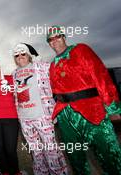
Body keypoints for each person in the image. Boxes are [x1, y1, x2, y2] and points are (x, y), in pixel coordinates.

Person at [47, 25, 121, 174]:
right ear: (49, 43)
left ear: (64, 37)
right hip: (65, 115)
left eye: (57, 37)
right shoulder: (52, 65)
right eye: (50, 39)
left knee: (107, 152)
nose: (54, 41)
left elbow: (101, 76)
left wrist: (112, 107)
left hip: (91, 109)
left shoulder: (80, 49)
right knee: (75, 157)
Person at [12, 43, 68, 175]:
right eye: (17, 55)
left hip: (42, 116)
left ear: (29, 55)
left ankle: (59, 173)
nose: (20, 56)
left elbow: (60, 71)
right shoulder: (14, 73)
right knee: (36, 151)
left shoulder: (41, 67)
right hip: (25, 118)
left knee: (51, 150)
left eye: (23, 53)